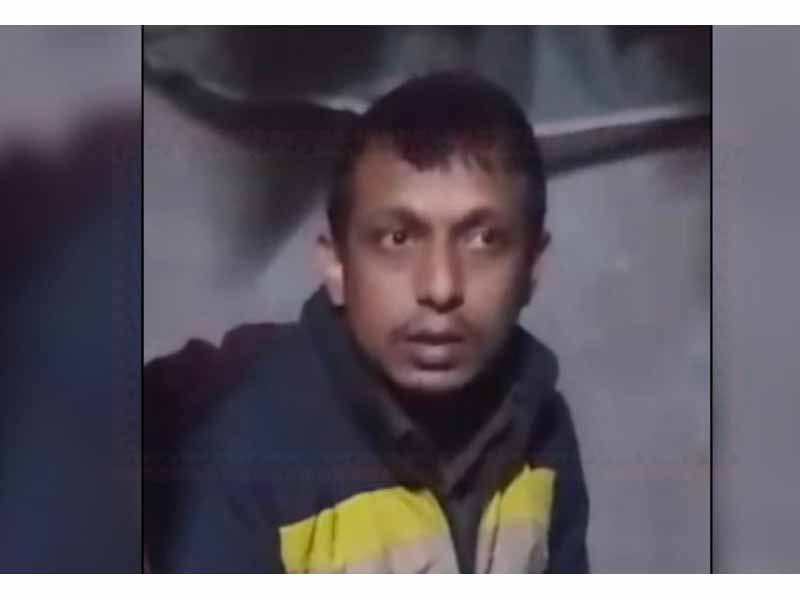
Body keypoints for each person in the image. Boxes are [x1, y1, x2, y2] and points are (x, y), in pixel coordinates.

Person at [145, 71, 589, 573]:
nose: (441, 287)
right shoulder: (248, 458)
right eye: (397, 238)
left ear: (532, 267)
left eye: (483, 239)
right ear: (336, 264)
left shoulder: (542, 426)